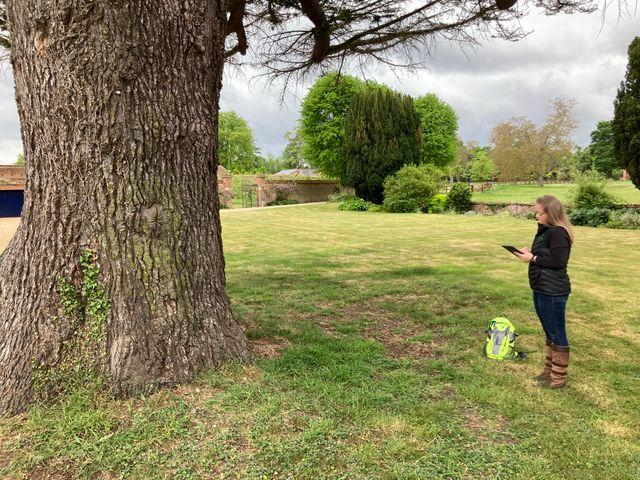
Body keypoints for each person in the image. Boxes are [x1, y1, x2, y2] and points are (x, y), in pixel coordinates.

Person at [514, 195, 574, 388]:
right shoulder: (546, 231)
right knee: (549, 331)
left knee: (557, 332)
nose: (536, 216)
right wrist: (529, 254)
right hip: (541, 287)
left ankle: (558, 379)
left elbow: (559, 262)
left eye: (539, 213)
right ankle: (549, 371)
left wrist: (533, 258)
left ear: (550, 213)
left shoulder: (558, 233)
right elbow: (544, 255)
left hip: (553, 291)